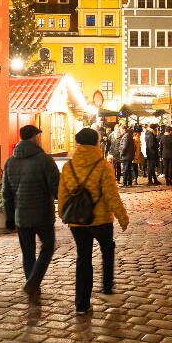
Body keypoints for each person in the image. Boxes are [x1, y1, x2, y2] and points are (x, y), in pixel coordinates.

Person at [57, 128, 129, 312]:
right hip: (101, 220)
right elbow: (112, 195)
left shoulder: (69, 166)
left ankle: (81, 304)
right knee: (107, 251)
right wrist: (122, 217)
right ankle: (107, 289)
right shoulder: (102, 165)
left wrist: (61, 213)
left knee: (83, 258)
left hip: (77, 221)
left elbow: (63, 195)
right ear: (96, 143)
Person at [2, 125, 60, 300]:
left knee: (28, 252)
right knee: (48, 247)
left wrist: (10, 217)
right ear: (35, 137)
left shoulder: (10, 162)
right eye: (39, 136)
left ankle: (32, 284)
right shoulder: (44, 160)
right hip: (42, 214)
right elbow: (57, 188)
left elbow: (6, 193)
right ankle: (33, 282)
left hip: (21, 216)